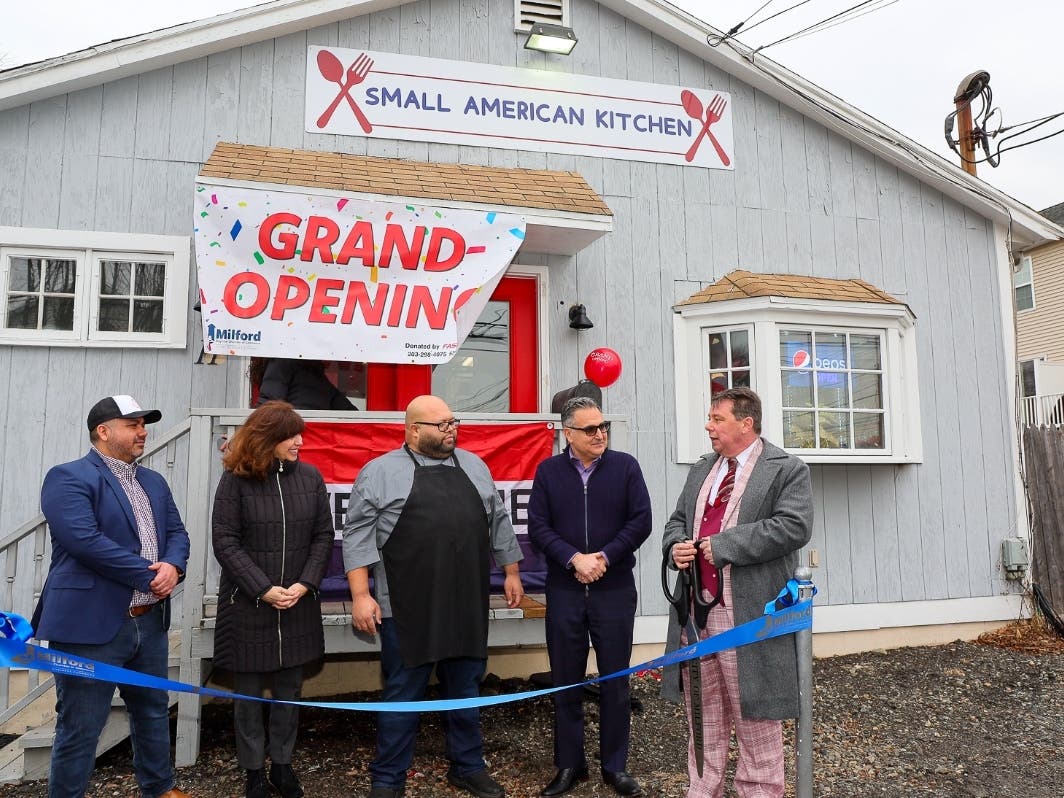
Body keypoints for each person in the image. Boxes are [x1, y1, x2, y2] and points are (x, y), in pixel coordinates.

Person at [342, 395, 525, 798]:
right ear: (413, 430)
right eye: (441, 425)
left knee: (466, 689)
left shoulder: (475, 466)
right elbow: (357, 536)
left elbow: (498, 520)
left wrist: (511, 571)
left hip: (466, 603)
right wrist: (361, 595)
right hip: (406, 607)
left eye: (453, 423)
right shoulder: (380, 472)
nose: (450, 430)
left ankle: (468, 766)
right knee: (402, 696)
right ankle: (388, 778)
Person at [32, 395, 192, 798]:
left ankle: (160, 789)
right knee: (81, 725)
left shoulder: (154, 482)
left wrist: (173, 567)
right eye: (132, 424)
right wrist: (149, 575)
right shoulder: (67, 477)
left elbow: (177, 533)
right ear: (103, 432)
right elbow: (84, 541)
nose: (143, 432)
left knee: (152, 711)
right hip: (89, 627)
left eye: (144, 424)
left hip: (148, 620)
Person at [662, 387, 813, 798]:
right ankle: (702, 789)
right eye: (710, 419)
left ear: (746, 424)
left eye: (718, 419)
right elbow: (677, 521)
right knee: (703, 717)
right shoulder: (703, 469)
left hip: (746, 615)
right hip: (695, 614)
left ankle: (760, 792)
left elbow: (794, 526)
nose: (708, 427)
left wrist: (726, 544)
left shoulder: (787, 469)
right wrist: (675, 546)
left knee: (755, 718)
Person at [528, 397, 652, 797]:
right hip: (565, 590)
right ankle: (570, 765)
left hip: (613, 590)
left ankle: (615, 767)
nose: (600, 434)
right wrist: (573, 559)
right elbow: (538, 527)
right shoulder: (548, 472)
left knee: (615, 680)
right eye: (590, 429)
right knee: (565, 679)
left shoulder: (625, 467)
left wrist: (603, 557)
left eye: (603, 427)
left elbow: (641, 521)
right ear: (568, 433)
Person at [211, 401, 335, 798]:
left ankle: (282, 766)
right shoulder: (235, 481)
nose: (300, 442)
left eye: (300, 434)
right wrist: (262, 588)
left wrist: (305, 583)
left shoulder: (311, 477)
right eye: (291, 436)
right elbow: (225, 541)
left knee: (289, 693)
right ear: (267, 439)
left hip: (298, 605)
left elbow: (323, 535)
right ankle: (253, 773)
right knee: (247, 698)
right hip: (249, 607)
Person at [253, 357, 357, 410]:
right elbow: (268, 407)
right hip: (293, 435)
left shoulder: (317, 375)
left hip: (300, 436)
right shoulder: (284, 361)